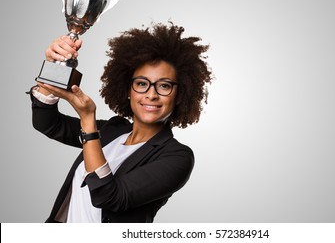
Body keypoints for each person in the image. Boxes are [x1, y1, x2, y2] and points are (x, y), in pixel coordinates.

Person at [29, 22, 212, 223]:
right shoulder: (112, 130)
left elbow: (108, 197)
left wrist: (88, 120)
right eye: (141, 84)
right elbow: (48, 123)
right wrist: (54, 66)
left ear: (179, 95)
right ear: (127, 90)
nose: (151, 94)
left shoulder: (177, 157)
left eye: (164, 86)